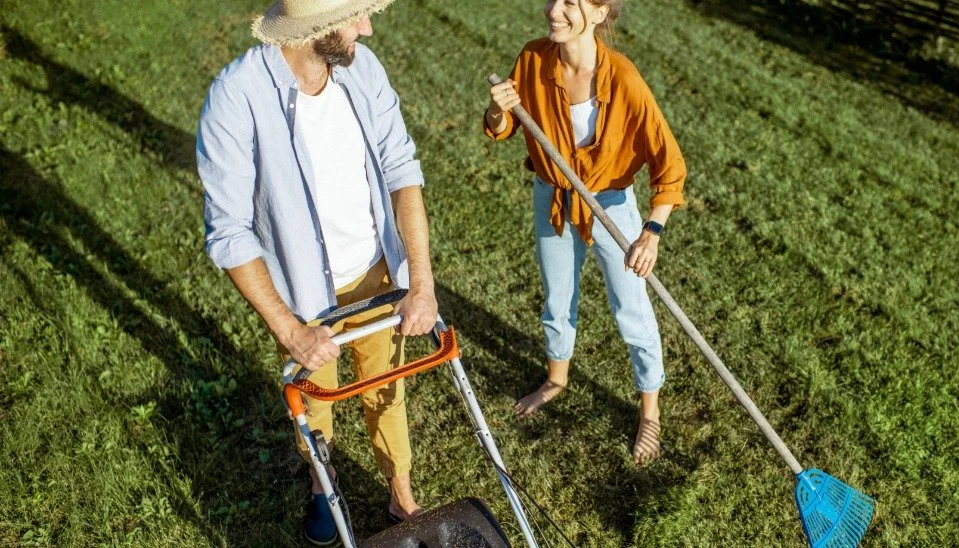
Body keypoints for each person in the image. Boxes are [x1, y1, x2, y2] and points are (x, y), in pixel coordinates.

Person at [196, 0, 435, 543]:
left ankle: (400, 493)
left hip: (377, 273)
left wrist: (419, 282)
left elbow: (402, 168)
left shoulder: (362, 67)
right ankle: (321, 485)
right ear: (312, 30)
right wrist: (291, 330)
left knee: (387, 387)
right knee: (313, 401)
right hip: (305, 296)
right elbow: (230, 230)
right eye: (355, 17)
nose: (367, 28)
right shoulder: (236, 98)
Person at [483, 0, 687, 465]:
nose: (554, 10)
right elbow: (502, 127)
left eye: (571, 3)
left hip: (611, 205)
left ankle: (650, 411)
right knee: (557, 298)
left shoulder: (624, 79)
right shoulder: (533, 60)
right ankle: (556, 379)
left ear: (599, 13)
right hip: (552, 196)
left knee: (630, 307)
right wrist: (498, 111)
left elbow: (669, 164)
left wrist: (652, 231)